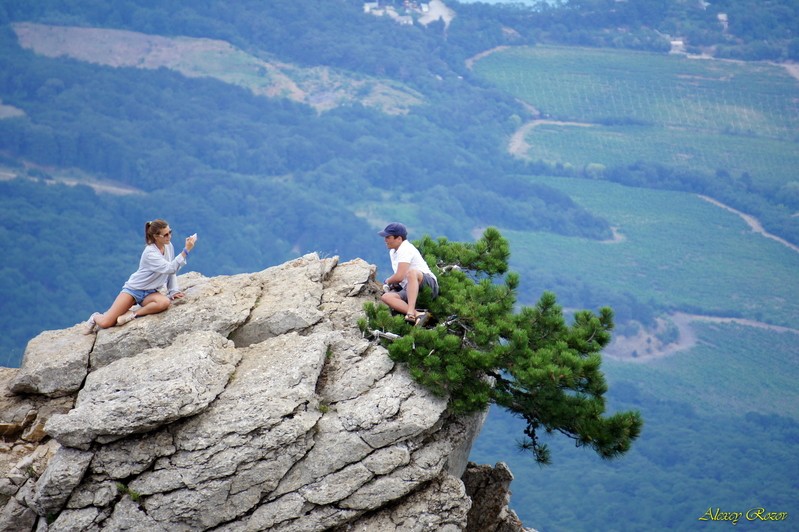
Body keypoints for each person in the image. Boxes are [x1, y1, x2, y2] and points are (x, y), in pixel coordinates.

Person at [81, 219, 197, 334]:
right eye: (165, 234)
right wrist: (186, 250)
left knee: (164, 303)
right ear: (156, 236)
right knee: (106, 323)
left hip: (151, 292)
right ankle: (95, 317)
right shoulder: (150, 253)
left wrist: (173, 291)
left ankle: (132, 314)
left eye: (170, 232)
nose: (169, 236)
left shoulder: (168, 246)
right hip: (134, 290)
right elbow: (170, 268)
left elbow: (170, 271)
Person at [378, 222, 439, 326]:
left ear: (399, 238)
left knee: (411, 273)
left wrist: (387, 281)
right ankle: (419, 314)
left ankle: (410, 312)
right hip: (410, 287)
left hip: (428, 284)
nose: (385, 240)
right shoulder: (393, 252)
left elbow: (399, 276)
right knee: (386, 297)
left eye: (388, 237)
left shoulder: (405, 249)